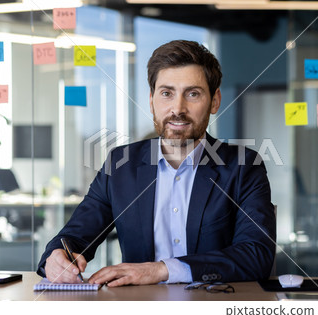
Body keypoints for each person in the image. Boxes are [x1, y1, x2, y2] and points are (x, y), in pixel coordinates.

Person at [37, 40, 276, 287]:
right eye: (166, 93)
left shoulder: (244, 166)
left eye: (193, 93)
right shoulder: (121, 165)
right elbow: (73, 237)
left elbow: (257, 255)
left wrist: (162, 270)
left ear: (215, 101)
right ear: (151, 100)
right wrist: (55, 257)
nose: (177, 108)